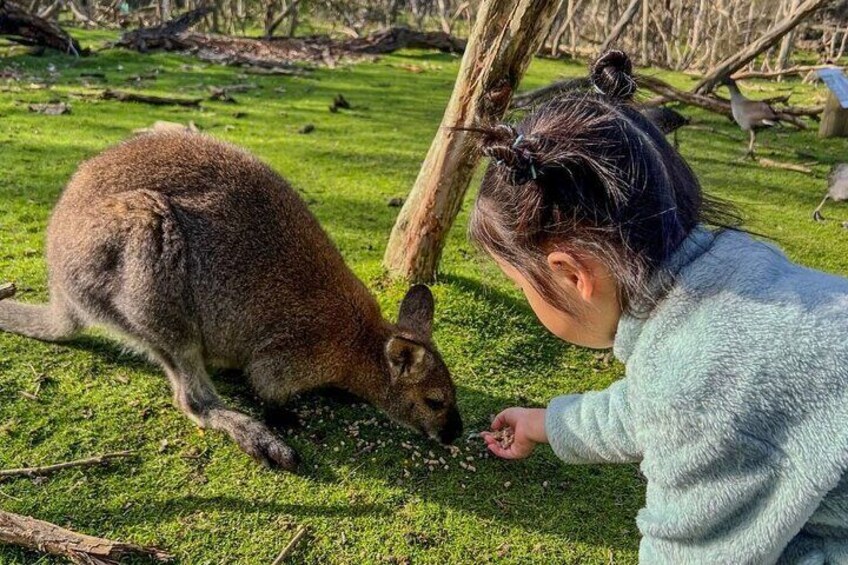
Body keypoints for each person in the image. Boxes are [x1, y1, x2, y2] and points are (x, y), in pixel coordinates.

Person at [474, 50, 848, 564]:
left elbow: (687, 550)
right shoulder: (734, 278)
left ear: (571, 275)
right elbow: (652, 404)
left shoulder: (698, 388)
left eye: (522, 284)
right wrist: (548, 423)